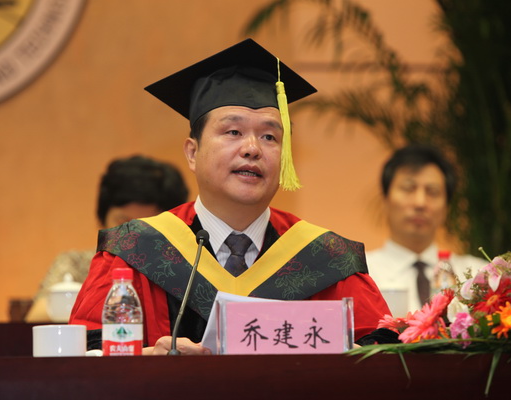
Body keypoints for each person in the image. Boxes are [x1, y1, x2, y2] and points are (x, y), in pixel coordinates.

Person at [69, 39, 393, 355]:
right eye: (233, 132)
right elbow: (83, 354)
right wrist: (148, 358)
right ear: (192, 153)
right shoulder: (134, 251)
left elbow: (386, 353)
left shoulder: (328, 258)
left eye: (269, 136)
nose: (252, 148)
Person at [26, 155, 189, 322]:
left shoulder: (184, 271)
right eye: (123, 223)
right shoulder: (74, 264)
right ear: (101, 220)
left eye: (147, 225)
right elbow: (36, 317)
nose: (134, 236)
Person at [366, 144, 488, 314]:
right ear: (385, 198)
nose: (420, 203)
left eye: (433, 192)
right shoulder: (361, 276)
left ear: (447, 207)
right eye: (408, 188)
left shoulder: (478, 275)